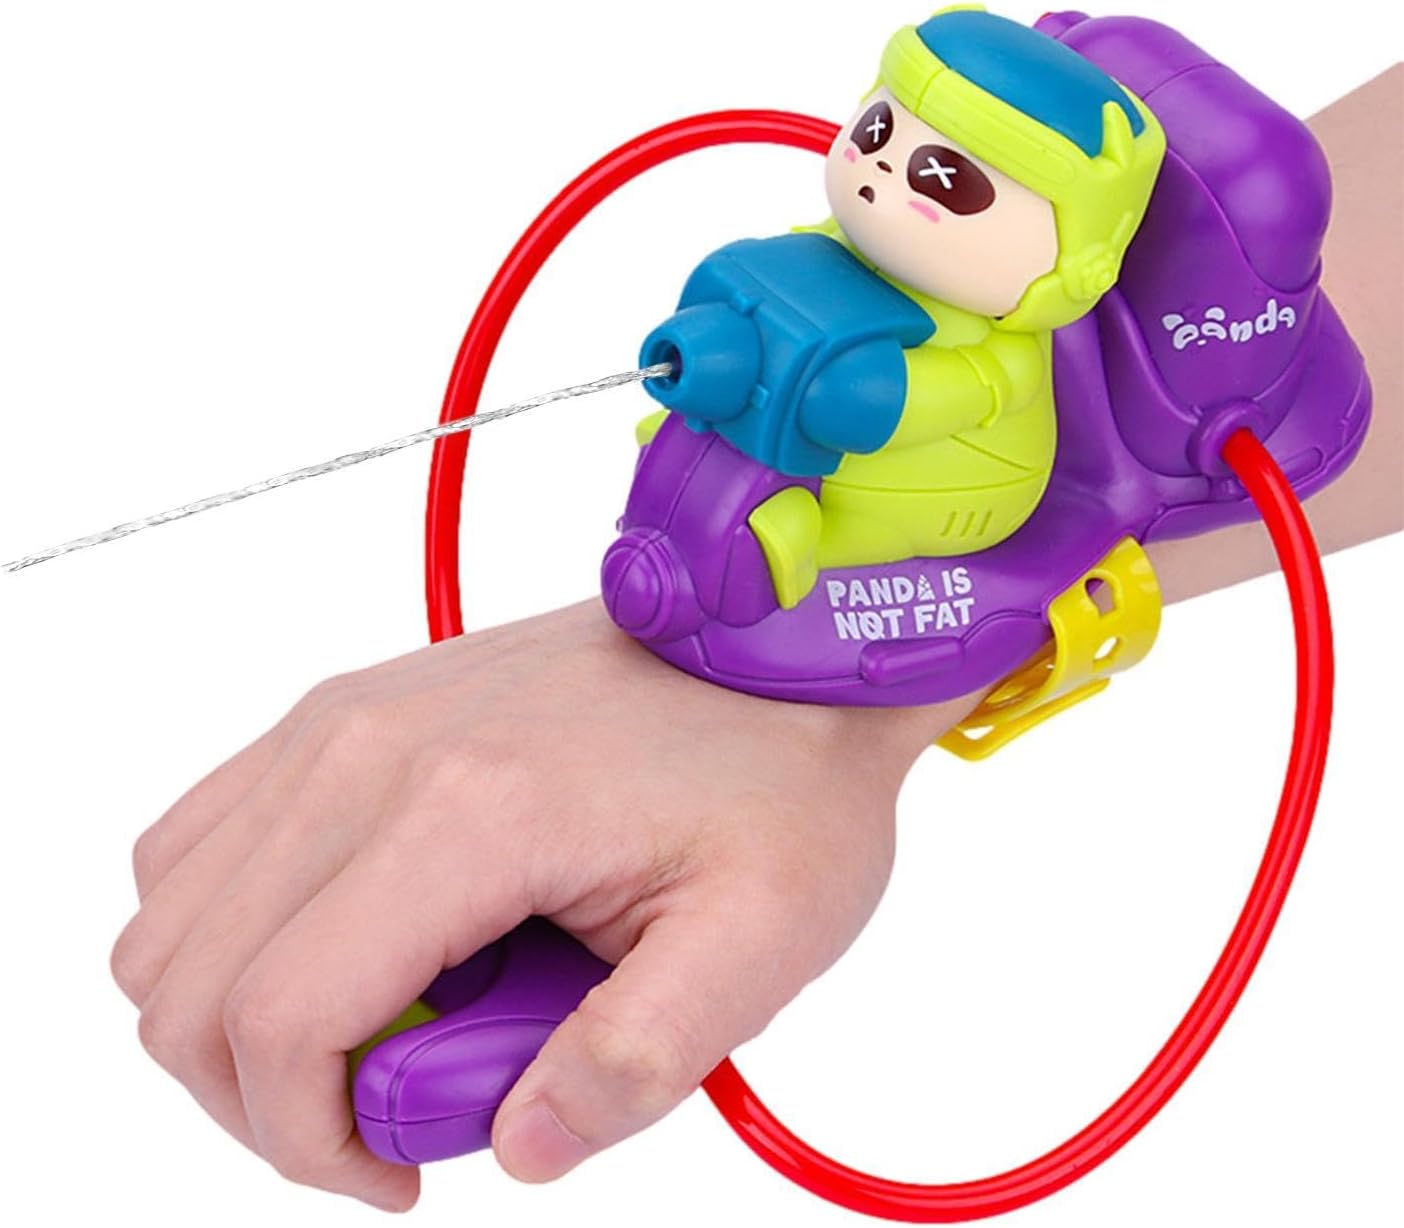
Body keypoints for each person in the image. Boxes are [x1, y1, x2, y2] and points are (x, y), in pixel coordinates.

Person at [108, 62, 1402, 1214]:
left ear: (1065, 267)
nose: (884, 176)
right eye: (881, 133)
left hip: (923, 502)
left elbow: (937, 406)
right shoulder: (847, 270)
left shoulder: (992, 363)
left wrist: (822, 675)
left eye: (946, 179)